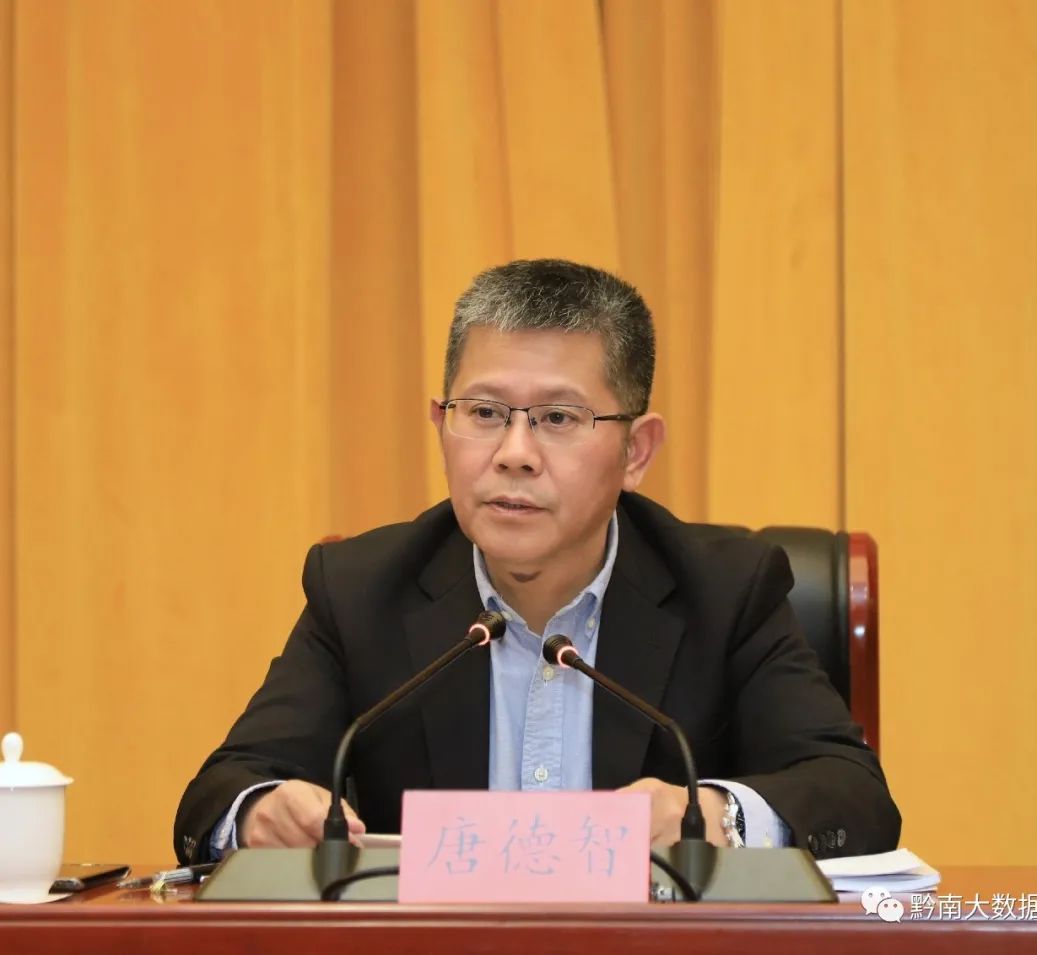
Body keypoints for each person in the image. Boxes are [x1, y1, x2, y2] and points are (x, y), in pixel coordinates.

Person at [174, 259, 900, 866]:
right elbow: (220, 793)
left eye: (557, 418)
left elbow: (854, 796)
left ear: (637, 451)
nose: (514, 453)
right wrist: (260, 813)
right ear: (442, 424)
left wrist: (713, 815)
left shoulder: (727, 589)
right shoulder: (362, 590)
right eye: (484, 412)